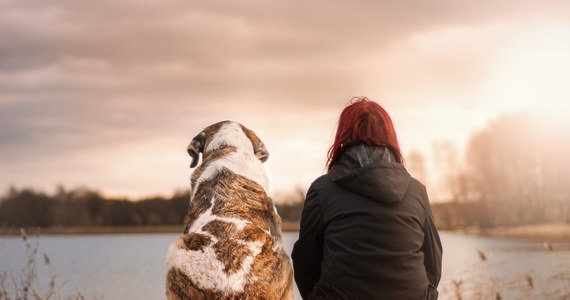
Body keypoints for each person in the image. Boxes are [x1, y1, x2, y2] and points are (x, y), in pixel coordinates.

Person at [291, 97, 442, 300]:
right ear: (390, 136)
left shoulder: (322, 190)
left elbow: (305, 264)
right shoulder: (416, 191)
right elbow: (433, 264)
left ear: (343, 136)